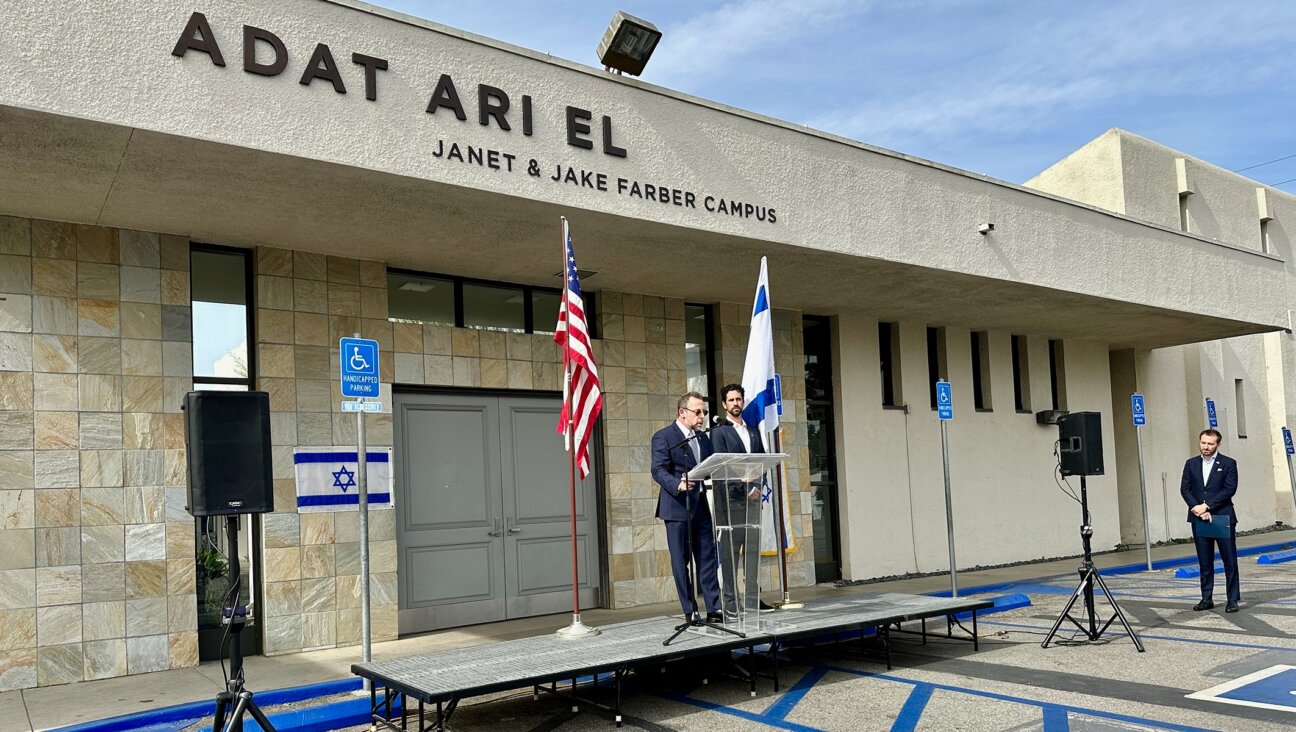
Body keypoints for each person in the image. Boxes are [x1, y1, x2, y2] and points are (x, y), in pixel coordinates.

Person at [651, 392, 722, 622]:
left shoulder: (702, 438)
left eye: (704, 412)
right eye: (697, 412)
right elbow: (658, 470)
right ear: (682, 412)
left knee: (707, 558)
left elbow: (710, 466)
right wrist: (677, 483)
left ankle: (714, 608)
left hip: (700, 506)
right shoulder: (664, 437)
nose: (702, 417)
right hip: (676, 508)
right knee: (681, 562)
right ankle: (690, 611)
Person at [710, 384, 776, 614]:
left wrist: (756, 487)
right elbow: (722, 465)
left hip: (753, 501)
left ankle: (752, 599)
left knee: (751, 552)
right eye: (731, 400)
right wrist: (744, 489)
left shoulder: (753, 430)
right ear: (724, 404)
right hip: (730, 503)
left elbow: (762, 461)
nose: (736, 403)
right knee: (729, 556)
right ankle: (730, 603)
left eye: (739, 399)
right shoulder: (719, 432)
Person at [1179, 428, 1240, 613]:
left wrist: (1207, 506)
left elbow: (1229, 489)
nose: (1206, 447)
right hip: (1199, 518)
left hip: (1222, 517)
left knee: (1229, 561)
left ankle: (1232, 599)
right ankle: (1206, 598)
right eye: (1203, 443)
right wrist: (1198, 509)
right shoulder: (1191, 464)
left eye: (1210, 444)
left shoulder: (1228, 463)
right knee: (1205, 562)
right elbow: (1185, 489)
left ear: (1218, 445)